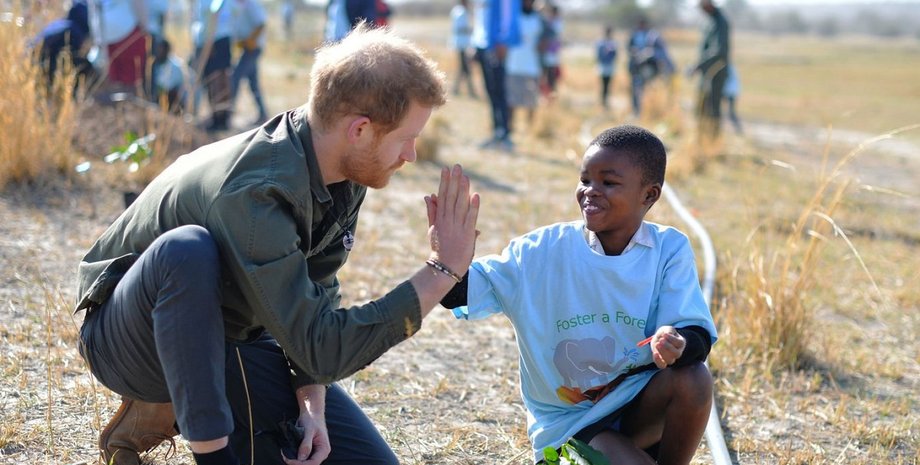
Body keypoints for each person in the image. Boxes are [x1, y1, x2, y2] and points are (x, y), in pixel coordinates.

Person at [75, 24, 480, 465]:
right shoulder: (258, 191)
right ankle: (196, 434)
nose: (411, 155)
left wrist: (312, 408)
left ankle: (198, 412)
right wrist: (442, 271)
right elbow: (322, 346)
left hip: (236, 332)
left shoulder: (342, 168)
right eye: (407, 138)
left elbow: (316, 297)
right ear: (360, 129)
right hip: (133, 338)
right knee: (186, 250)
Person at [440, 125, 717, 464]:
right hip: (569, 426)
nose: (591, 191)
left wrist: (676, 343)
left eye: (609, 183)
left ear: (649, 195)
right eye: (586, 180)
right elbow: (456, 294)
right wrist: (446, 259)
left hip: (636, 410)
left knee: (694, 379)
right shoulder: (539, 252)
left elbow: (697, 337)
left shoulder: (668, 249)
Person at [471, 0, 521, 150]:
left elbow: (507, 12)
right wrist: (474, 42)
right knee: (491, 92)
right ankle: (496, 132)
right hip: (482, 45)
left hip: (496, 45)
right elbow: (480, 15)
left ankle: (505, 134)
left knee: (500, 92)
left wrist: (503, 40)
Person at [503, 0, 545, 143]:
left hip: (532, 66)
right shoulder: (513, 16)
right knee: (511, 101)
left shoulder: (539, 19)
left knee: (532, 101)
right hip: (513, 64)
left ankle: (530, 130)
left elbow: (547, 38)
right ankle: (509, 128)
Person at [690, 0, 730, 140]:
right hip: (706, 73)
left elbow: (719, 51)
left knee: (713, 108)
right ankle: (701, 138)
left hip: (715, 72)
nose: (701, 9)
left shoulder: (720, 21)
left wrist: (699, 65)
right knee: (701, 107)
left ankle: (713, 141)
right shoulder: (708, 20)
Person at [192, 0, 234, 131]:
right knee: (212, 81)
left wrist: (208, 43)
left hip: (215, 42)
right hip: (211, 41)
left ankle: (220, 118)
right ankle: (217, 117)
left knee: (217, 80)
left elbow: (214, 14)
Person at [91, 0, 149, 93]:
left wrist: (97, 39)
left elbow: (93, 10)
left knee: (114, 80)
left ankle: (118, 105)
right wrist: (145, 27)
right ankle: (128, 104)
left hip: (105, 35)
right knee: (131, 80)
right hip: (128, 30)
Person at [230, 0, 269, 126]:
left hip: (252, 49)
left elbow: (261, 24)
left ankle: (228, 112)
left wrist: (250, 40)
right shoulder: (240, 6)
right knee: (253, 83)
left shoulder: (252, 5)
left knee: (235, 78)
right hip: (247, 48)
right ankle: (263, 114)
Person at [627, 17, 674, 118]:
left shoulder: (651, 36)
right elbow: (629, 48)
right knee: (636, 90)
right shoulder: (634, 35)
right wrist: (634, 52)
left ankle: (647, 111)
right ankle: (637, 111)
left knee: (648, 89)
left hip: (647, 67)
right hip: (636, 67)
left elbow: (661, 52)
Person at [449, 0, 477, 98]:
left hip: (463, 43)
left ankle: (456, 89)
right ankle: (470, 91)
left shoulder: (458, 11)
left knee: (463, 68)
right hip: (462, 44)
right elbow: (460, 28)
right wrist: (471, 30)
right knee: (465, 67)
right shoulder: (461, 12)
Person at [150, 38, 186, 112]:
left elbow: (166, 88)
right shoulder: (156, 64)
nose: (157, 51)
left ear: (167, 50)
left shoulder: (175, 66)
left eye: (160, 49)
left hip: (177, 103)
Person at [539, 3, 562, 99]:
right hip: (545, 54)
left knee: (551, 77)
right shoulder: (547, 22)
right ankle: (545, 94)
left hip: (551, 55)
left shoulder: (556, 23)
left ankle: (550, 94)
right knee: (544, 75)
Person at [595, 25, 617, 110]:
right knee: (603, 85)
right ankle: (603, 101)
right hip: (603, 66)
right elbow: (598, 55)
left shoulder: (613, 43)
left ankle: (606, 101)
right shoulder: (601, 43)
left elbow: (615, 54)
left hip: (610, 66)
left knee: (608, 85)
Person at [723, 64, 742, 134]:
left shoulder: (727, 67)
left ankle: (738, 129)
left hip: (729, 91)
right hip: (731, 91)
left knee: (731, 113)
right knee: (730, 112)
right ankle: (738, 129)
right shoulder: (730, 66)